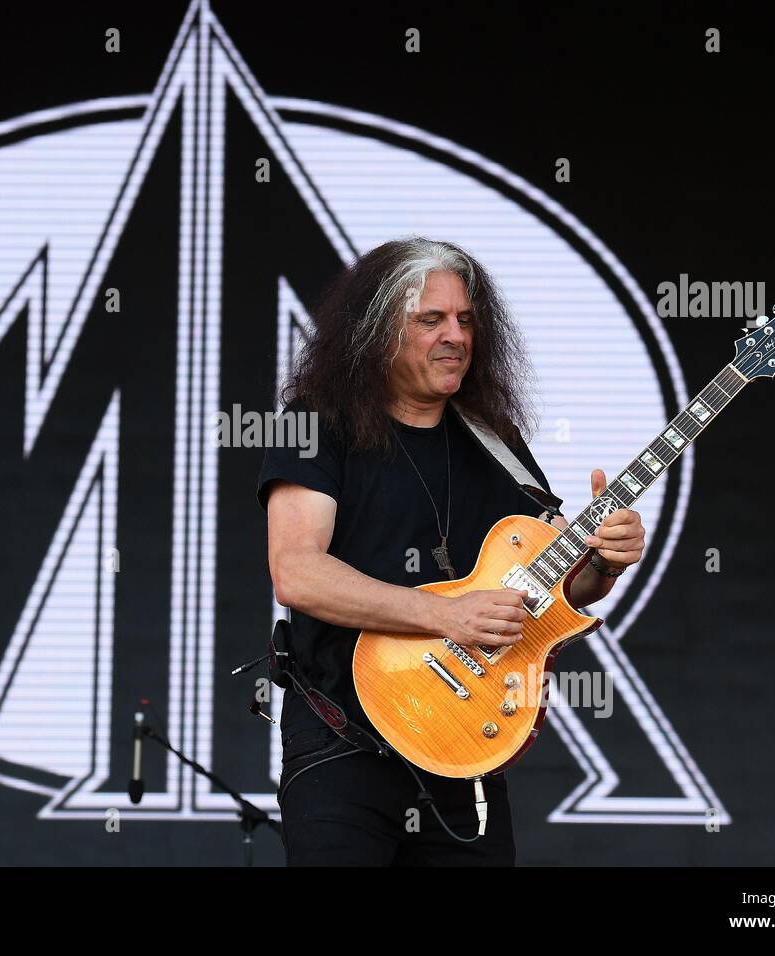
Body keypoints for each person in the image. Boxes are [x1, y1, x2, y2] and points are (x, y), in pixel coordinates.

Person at [257, 237, 646, 866]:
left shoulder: (494, 441)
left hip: (464, 745)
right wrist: (446, 614)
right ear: (377, 331)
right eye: (430, 319)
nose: (456, 336)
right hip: (342, 743)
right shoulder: (316, 423)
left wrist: (602, 561)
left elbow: (546, 593)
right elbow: (297, 573)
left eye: (466, 320)